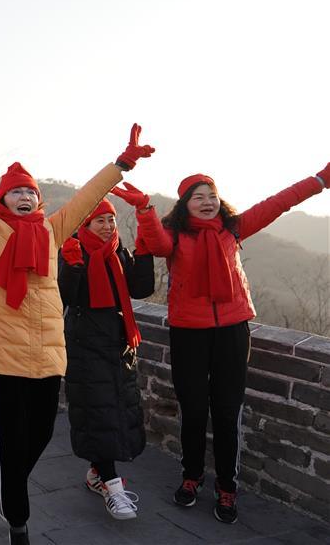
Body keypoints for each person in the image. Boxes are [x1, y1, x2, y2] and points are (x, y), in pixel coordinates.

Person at [0, 99, 154, 545]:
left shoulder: (54, 232)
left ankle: (1, 487)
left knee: (40, 432)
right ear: (1, 200)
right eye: (16, 192)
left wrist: (121, 165)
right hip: (3, 350)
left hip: (48, 351)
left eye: (30, 192)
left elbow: (87, 199)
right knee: (14, 440)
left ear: (39, 200)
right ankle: (18, 521)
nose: (24, 197)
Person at [121, 164, 330, 524]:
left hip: (232, 331)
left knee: (227, 411)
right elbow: (154, 242)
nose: (206, 202)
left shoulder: (234, 228)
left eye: (212, 196)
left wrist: (320, 180)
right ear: (184, 205)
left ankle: (227, 487)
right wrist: (144, 209)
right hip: (189, 332)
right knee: (193, 408)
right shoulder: (175, 235)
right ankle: (192, 476)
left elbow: (279, 202)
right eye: (197, 197)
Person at [58, 198, 154, 520]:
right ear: (84, 225)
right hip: (85, 343)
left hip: (119, 344)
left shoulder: (118, 253)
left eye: (110, 220)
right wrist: (71, 268)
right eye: (99, 221)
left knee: (113, 410)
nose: (107, 226)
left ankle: (97, 474)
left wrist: (144, 253)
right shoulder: (74, 251)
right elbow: (65, 297)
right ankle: (114, 488)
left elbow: (141, 289)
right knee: (99, 411)